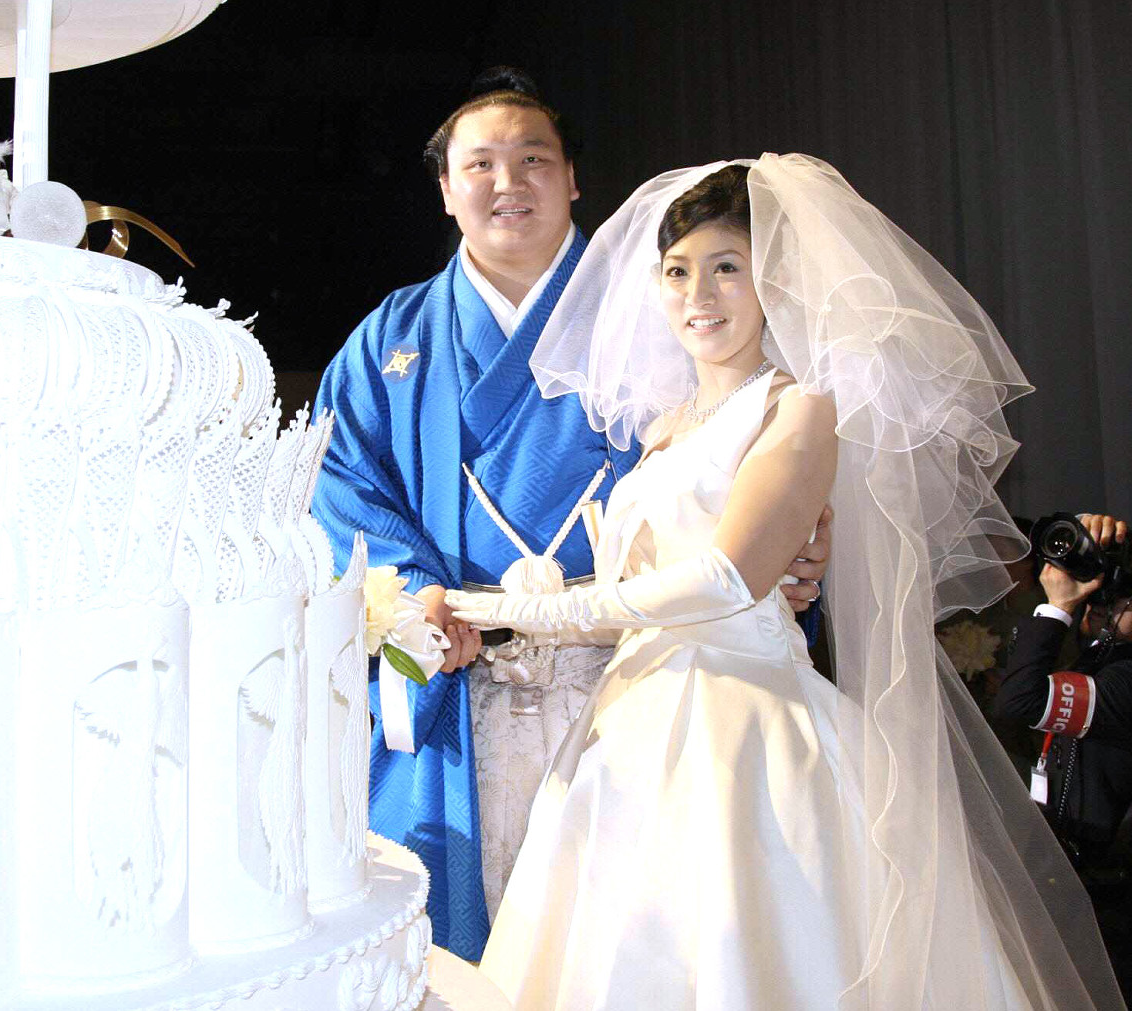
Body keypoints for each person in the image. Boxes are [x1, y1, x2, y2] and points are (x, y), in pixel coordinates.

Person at [449, 156, 1125, 1008]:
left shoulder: (796, 407)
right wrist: (521, 608)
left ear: (772, 282)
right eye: (677, 271)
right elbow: (643, 593)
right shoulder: (661, 429)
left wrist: (521, 607)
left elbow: (726, 577)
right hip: (628, 729)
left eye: (727, 267)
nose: (699, 294)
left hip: (745, 734)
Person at [312, 76, 828, 958]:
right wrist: (418, 599)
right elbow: (343, 487)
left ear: (575, 179)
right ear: (445, 190)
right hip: (459, 677)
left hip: (643, 683)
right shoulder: (390, 340)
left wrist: (798, 532)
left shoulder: (669, 309)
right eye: (480, 165)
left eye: (533, 159)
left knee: (643, 946)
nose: (508, 182)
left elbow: (753, 437)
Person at [994, 513, 1132, 862]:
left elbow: (1018, 702)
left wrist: (1059, 607)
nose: (1101, 602)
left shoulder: (1125, 678)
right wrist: (1087, 534)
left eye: (1121, 597)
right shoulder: (1101, 654)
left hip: (1096, 867)